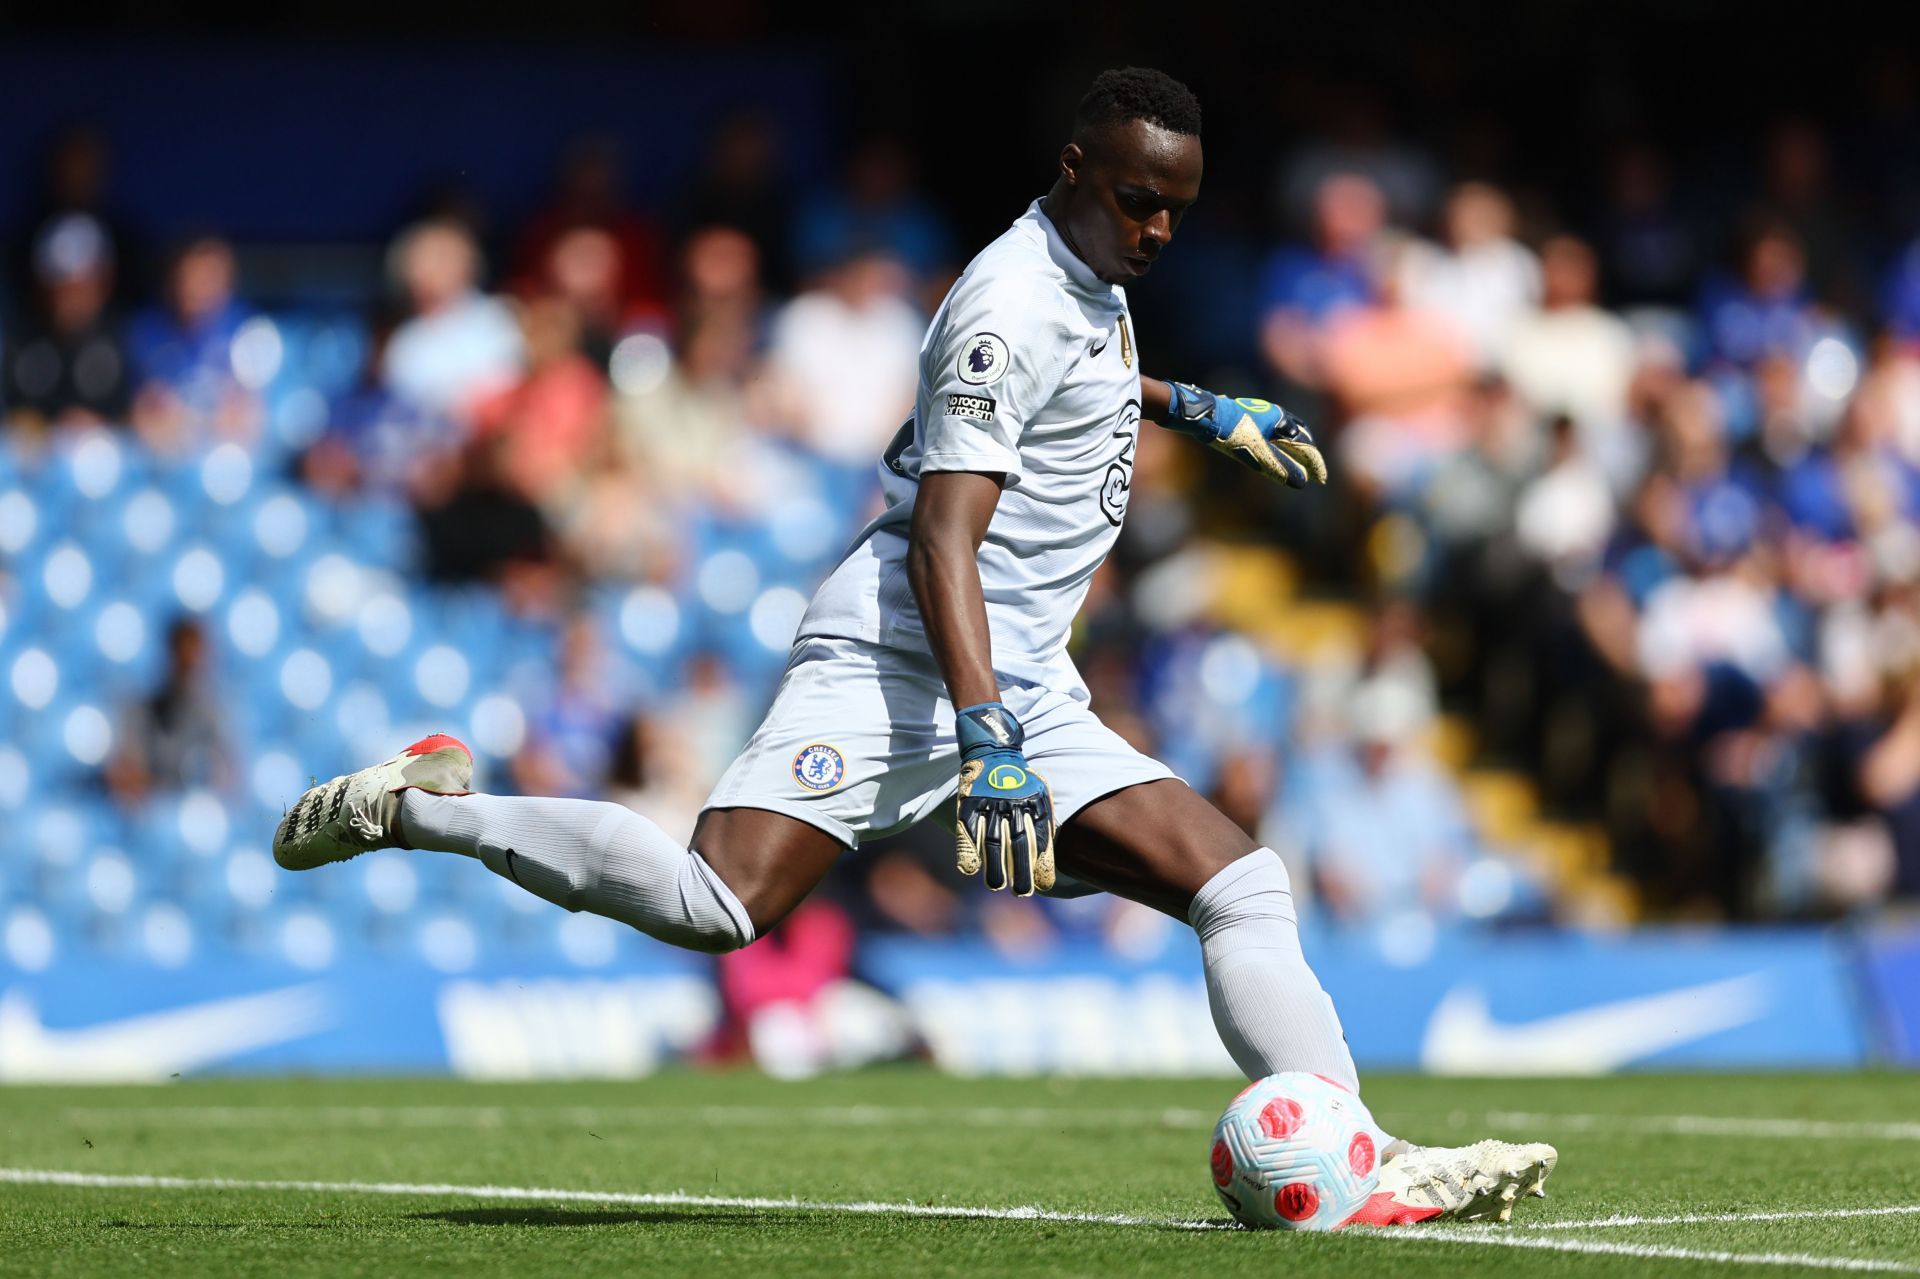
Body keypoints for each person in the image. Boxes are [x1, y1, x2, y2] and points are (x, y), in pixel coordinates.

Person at [272, 68, 1554, 1226]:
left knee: (1240, 885)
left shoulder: (1092, 275)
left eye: (1176, 209)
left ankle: (1362, 1156)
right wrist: (985, 735)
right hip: (903, 661)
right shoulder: (1006, 300)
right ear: (1072, 172)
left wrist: (1202, 406)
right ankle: (418, 808)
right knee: (719, 905)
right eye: (1136, 201)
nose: (1157, 229)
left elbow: (1089, 379)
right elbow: (946, 536)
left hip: (1023, 673)